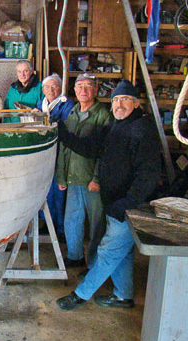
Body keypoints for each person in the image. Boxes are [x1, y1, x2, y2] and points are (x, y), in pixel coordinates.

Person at [55, 79, 161, 311]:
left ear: (136, 103)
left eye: (125, 100)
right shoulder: (115, 125)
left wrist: (128, 202)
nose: (119, 105)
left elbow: (149, 174)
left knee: (108, 251)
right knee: (121, 254)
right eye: (115, 100)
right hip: (115, 203)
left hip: (130, 207)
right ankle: (123, 296)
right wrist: (61, 132)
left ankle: (80, 295)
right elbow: (89, 147)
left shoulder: (142, 129)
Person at [57, 73, 111, 270]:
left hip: (91, 180)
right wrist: (61, 175)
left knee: (97, 224)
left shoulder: (103, 115)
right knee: (72, 220)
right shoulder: (72, 112)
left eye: (88, 86)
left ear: (96, 90)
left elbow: (105, 151)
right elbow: (64, 146)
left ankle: (95, 264)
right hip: (73, 177)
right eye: (79, 86)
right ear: (74, 90)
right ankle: (75, 256)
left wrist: (97, 178)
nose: (83, 91)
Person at [33, 73, 75, 241]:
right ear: (42, 90)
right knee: (46, 190)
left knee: (59, 190)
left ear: (60, 88)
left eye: (54, 87)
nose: (51, 90)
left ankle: (61, 229)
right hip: (45, 154)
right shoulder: (41, 103)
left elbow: (65, 128)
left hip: (60, 152)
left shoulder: (67, 104)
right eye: (47, 87)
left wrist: (46, 120)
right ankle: (47, 224)